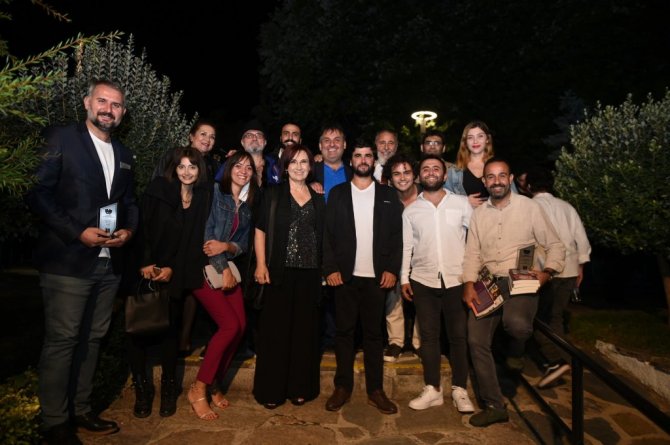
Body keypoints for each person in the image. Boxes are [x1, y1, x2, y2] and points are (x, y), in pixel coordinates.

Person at [27, 78, 138, 444]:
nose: (108, 109)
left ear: (122, 113)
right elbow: (38, 193)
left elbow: (130, 203)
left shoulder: (123, 153)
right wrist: (77, 232)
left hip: (108, 262)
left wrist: (128, 232)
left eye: (116, 104)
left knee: (92, 339)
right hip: (68, 261)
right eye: (102, 101)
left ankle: (81, 409)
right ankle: (55, 422)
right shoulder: (61, 139)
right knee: (63, 341)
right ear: (87, 103)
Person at [462, 157, 565, 427]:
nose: (496, 181)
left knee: (516, 324)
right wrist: (469, 284)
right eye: (491, 176)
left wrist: (547, 272)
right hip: (487, 284)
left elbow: (555, 245)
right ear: (484, 181)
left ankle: (516, 352)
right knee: (475, 340)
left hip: (521, 280)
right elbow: (472, 253)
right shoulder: (479, 214)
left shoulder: (530, 207)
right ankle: (495, 405)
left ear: (510, 179)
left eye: (501, 175)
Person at [128, 147, 211, 418]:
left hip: (176, 272)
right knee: (138, 331)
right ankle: (142, 389)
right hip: (148, 270)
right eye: (181, 166)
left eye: (192, 167)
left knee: (170, 332)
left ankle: (168, 387)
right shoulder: (158, 190)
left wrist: (172, 268)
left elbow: (192, 241)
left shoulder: (201, 198)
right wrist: (147, 263)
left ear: (199, 170)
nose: (187, 172)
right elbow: (143, 228)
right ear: (174, 169)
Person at [323, 140, 403, 415]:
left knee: (373, 335)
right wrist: (330, 269)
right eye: (358, 155)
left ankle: (375, 390)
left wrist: (392, 269)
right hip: (344, 277)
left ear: (373, 161)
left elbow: (396, 236)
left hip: (376, 278)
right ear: (351, 161)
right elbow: (327, 235)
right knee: (344, 333)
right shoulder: (338, 193)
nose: (364, 159)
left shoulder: (388, 195)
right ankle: (342, 387)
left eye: (368, 155)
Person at [186, 151, 259, 420]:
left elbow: (243, 245)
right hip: (203, 269)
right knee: (229, 326)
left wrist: (228, 247)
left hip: (227, 268)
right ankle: (198, 387)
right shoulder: (215, 193)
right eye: (238, 165)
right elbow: (207, 238)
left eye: (248, 167)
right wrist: (224, 267)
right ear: (229, 169)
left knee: (239, 327)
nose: (243, 170)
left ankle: (214, 382)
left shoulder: (247, 205)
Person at [400, 155, 475, 413]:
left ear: (444, 175)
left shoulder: (462, 204)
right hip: (423, 280)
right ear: (419, 176)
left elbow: (474, 241)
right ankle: (433, 389)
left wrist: (473, 276)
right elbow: (406, 247)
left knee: (458, 336)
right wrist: (404, 278)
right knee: (429, 337)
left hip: (457, 279)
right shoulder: (411, 211)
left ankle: (460, 389)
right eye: (425, 169)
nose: (431, 172)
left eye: (436, 169)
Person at [252, 144, 325, 409]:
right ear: (285, 166)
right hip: (278, 272)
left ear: (310, 167)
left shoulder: (318, 197)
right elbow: (260, 230)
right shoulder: (272, 194)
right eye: (293, 162)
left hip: (310, 274)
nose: (299, 167)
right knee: (276, 333)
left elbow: (323, 236)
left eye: (304, 162)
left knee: (304, 333)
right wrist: (261, 265)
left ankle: (299, 387)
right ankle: (271, 390)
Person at [525, 167, 591, 388]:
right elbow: (582, 241)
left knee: (536, 318)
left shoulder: (529, 207)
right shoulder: (567, 207)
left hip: (544, 272)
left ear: (529, 186)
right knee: (556, 317)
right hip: (569, 270)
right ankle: (562, 359)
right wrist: (580, 268)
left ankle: (555, 361)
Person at [380, 154, 421, 362]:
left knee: (423, 300)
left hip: (422, 256)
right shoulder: (386, 198)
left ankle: (419, 343)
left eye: (406, 172)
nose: (402, 177)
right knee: (393, 298)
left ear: (415, 175)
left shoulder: (426, 196)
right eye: (396, 174)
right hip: (395, 254)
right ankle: (395, 342)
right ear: (390, 178)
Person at [443, 121, 495, 208]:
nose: (475, 141)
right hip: (465, 216)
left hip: (494, 215)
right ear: (465, 142)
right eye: (470, 137)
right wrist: (464, 201)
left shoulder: (499, 167)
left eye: (480, 136)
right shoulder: (454, 171)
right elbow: (444, 199)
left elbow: (512, 197)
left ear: (487, 139)